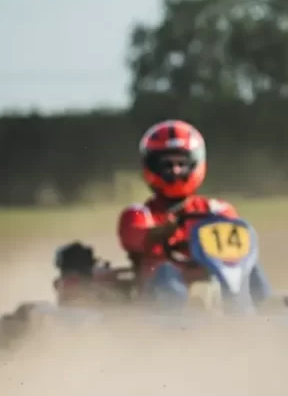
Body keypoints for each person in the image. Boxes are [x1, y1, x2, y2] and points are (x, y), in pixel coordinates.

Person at [117, 119, 272, 310]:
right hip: (160, 295)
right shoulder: (140, 213)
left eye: (181, 164)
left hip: (214, 286)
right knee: (166, 271)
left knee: (251, 268)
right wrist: (162, 232)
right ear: (152, 166)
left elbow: (237, 245)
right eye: (167, 165)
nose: (175, 170)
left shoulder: (217, 210)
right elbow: (133, 237)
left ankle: (263, 311)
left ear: (195, 163)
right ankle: (178, 323)